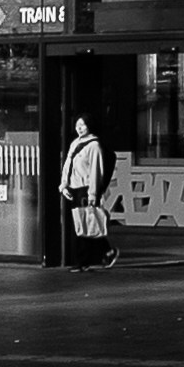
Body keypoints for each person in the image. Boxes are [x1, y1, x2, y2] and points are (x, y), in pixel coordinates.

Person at [58, 115, 117, 269]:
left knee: (85, 224)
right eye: (77, 125)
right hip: (74, 189)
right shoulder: (75, 143)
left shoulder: (94, 145)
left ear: (89, 126)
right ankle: (107, 251)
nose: (79, 128)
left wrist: (93, 194)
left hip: (85, 189)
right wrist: (64, 185)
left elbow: (95, 171)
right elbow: (67, 166)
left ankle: (83, 261)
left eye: (83, 125)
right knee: (85, 223)